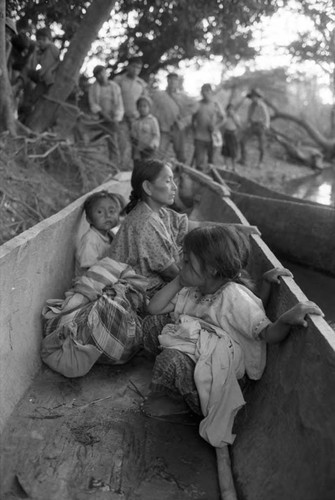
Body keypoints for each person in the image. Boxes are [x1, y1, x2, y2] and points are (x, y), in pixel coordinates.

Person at [141, 224, 323, 500]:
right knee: (154, 325)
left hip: (224, 376)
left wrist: (286, 317)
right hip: (202, 358)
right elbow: (153, 308)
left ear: (212, 269)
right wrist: (179, 279)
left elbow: (265, 332)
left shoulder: (234, 297)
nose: (181, 264)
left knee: (170, 360)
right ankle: (188, 397)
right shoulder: (193, 290)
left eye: (187, 261)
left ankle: (186, 405)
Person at [110, 159, 259, 298]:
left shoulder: (159, 212)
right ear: (148, 187)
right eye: (168, 181)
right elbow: (172, 274)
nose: (175, 187)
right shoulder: (146, 223)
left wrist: (236, 228)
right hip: (146, 293)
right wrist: (213, 286)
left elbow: (196, 226)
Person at [75, 190, 125, 276]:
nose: (107, 215)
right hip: (91, 282)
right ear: (89, 219)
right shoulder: (90, 240)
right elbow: (90, 270)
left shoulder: (110, 235)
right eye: (100, 212)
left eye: (112, 211)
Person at [151, 72, 197, 163]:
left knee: (181, 154)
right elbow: (152, 108)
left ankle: (181, 174)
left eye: (175, 80)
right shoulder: (159, 95)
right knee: (159, 153)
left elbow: (195, 106)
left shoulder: (183, 96)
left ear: (178, 82)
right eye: (170, 79)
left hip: (178, 129)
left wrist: (184, 120)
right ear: (167, 81)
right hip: (163, 129)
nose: (172, 82)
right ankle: (156, 173)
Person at [88, 64, 124, 164]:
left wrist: (116, 118)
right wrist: (103, 114)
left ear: (105, 73)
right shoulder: (93, 88)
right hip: (99, 118)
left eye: (102, 73)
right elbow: (93, 104)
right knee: (87, 132)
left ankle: (115, 163)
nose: (101, 76)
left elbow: (119, 105)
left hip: (112, 119)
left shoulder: (114, 87)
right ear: (95, 77)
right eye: (97, 75)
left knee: (113, 140)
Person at [23, 27, 59, 121]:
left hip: (48, 80)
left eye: (42, 40)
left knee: (33, 99)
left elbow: (59, 62)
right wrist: (35, 51)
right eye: (38, 41)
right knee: (28, 73)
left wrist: (51, 69)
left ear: (48, 39)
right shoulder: (41, 52)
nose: (40, 43)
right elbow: (33, 65)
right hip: (42, 78)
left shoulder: (53, 48)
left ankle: (25, 119)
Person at [192, 83, 224, 171]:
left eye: (207, 91)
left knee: (211, 161)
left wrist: (215, 126)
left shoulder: (216, 104)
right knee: (199, 161)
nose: (205, 94)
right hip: (199, 137)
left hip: (212, 138)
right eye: (203, 92)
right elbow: (192, 119)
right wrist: (193, 130)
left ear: (210, 92)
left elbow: (223, 118)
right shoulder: (198, 104)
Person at [239, 88, 270, 167]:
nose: (253, 98)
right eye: (252, 97)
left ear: (257, 97)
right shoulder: (251, 106)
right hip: (252, 125)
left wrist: (266, 126)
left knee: (261, 145)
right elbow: (248, 117)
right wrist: (246, 125)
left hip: (260, 126)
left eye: (254, 96)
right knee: (242, 141)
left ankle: (260, 162)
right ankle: (243, 160)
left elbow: (266, 117)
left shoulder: (262, 106)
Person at [131, 96, 160, 162]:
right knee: (138, 167)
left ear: (149, 108)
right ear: (137, 108)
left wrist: (152, 144)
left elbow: (156, 135)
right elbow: (133, 136)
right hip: (137, 150)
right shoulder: (135, 121)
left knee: (147, 167)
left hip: (149, 150)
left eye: (145, 106)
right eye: (140, 106)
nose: (142, 108)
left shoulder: (152, 120)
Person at [221, 103, 241, 171]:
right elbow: (223, 126)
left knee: (233, 152)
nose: (229, 111)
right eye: (228, 109)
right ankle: (225, 165)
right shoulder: (225, 117)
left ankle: (234, 167)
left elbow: (239, 125)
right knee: (225, 151)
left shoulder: (236, 117)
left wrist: (233, 117)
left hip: (233, 134)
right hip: (226, 133)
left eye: (231, 109)